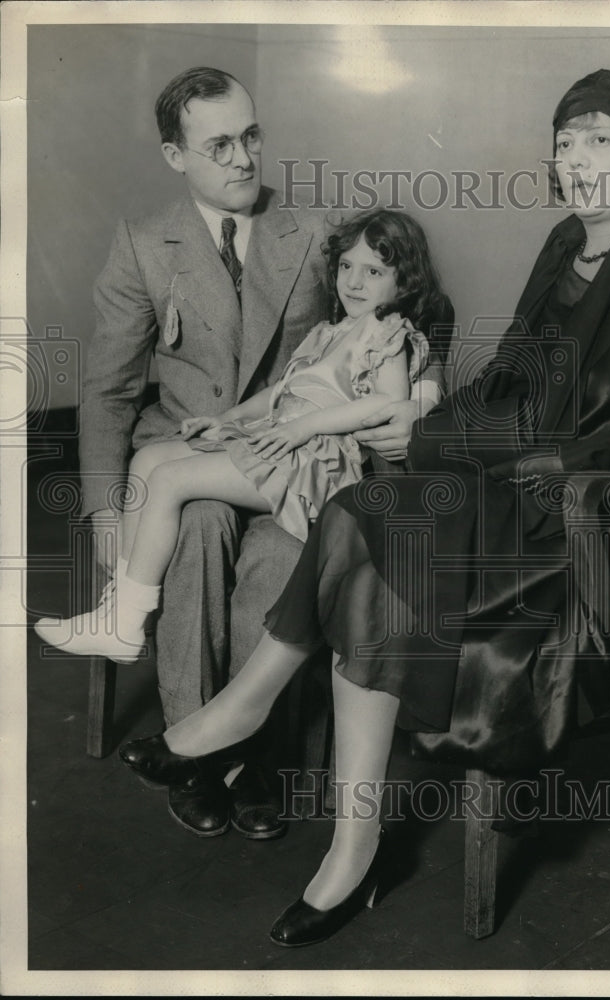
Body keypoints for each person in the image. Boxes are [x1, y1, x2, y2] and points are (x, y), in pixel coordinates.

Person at [118, 69, 610, 946]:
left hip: (590, 531)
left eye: (598, 138)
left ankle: (247, 728)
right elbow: (510, 384)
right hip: (504, 499)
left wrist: (539, 459)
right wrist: (431, 429)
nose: (576, 157)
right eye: (564, 141)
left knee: (364, 540)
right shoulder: (563, 245)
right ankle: (344, 831)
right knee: (362, 516)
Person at [68, 67, 448, 840]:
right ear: (176, 156)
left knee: (281, 554)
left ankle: (251, 750)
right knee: (198, 526)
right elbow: (106, 393)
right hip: (187, 448)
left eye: (250, 136)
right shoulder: (144, 247)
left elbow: (414, 317)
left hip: (297, 463)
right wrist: (109, 515)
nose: (242, 159)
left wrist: (422, 400)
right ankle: (197, 751)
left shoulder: (314, 233)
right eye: (218, 145)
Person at [36, 209, 449, 663]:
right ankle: (119, 609)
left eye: (373, 272)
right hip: (281, 438)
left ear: (404, 282)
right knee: (149, 460)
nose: (353, 282)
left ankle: (127, 622)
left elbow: (386, 402)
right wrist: (228, 420)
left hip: (312, 460)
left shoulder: (388, 333)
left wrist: (303, 427)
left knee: (170, 480)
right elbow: (281, 390)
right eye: (347, 267)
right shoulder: (332, 332)